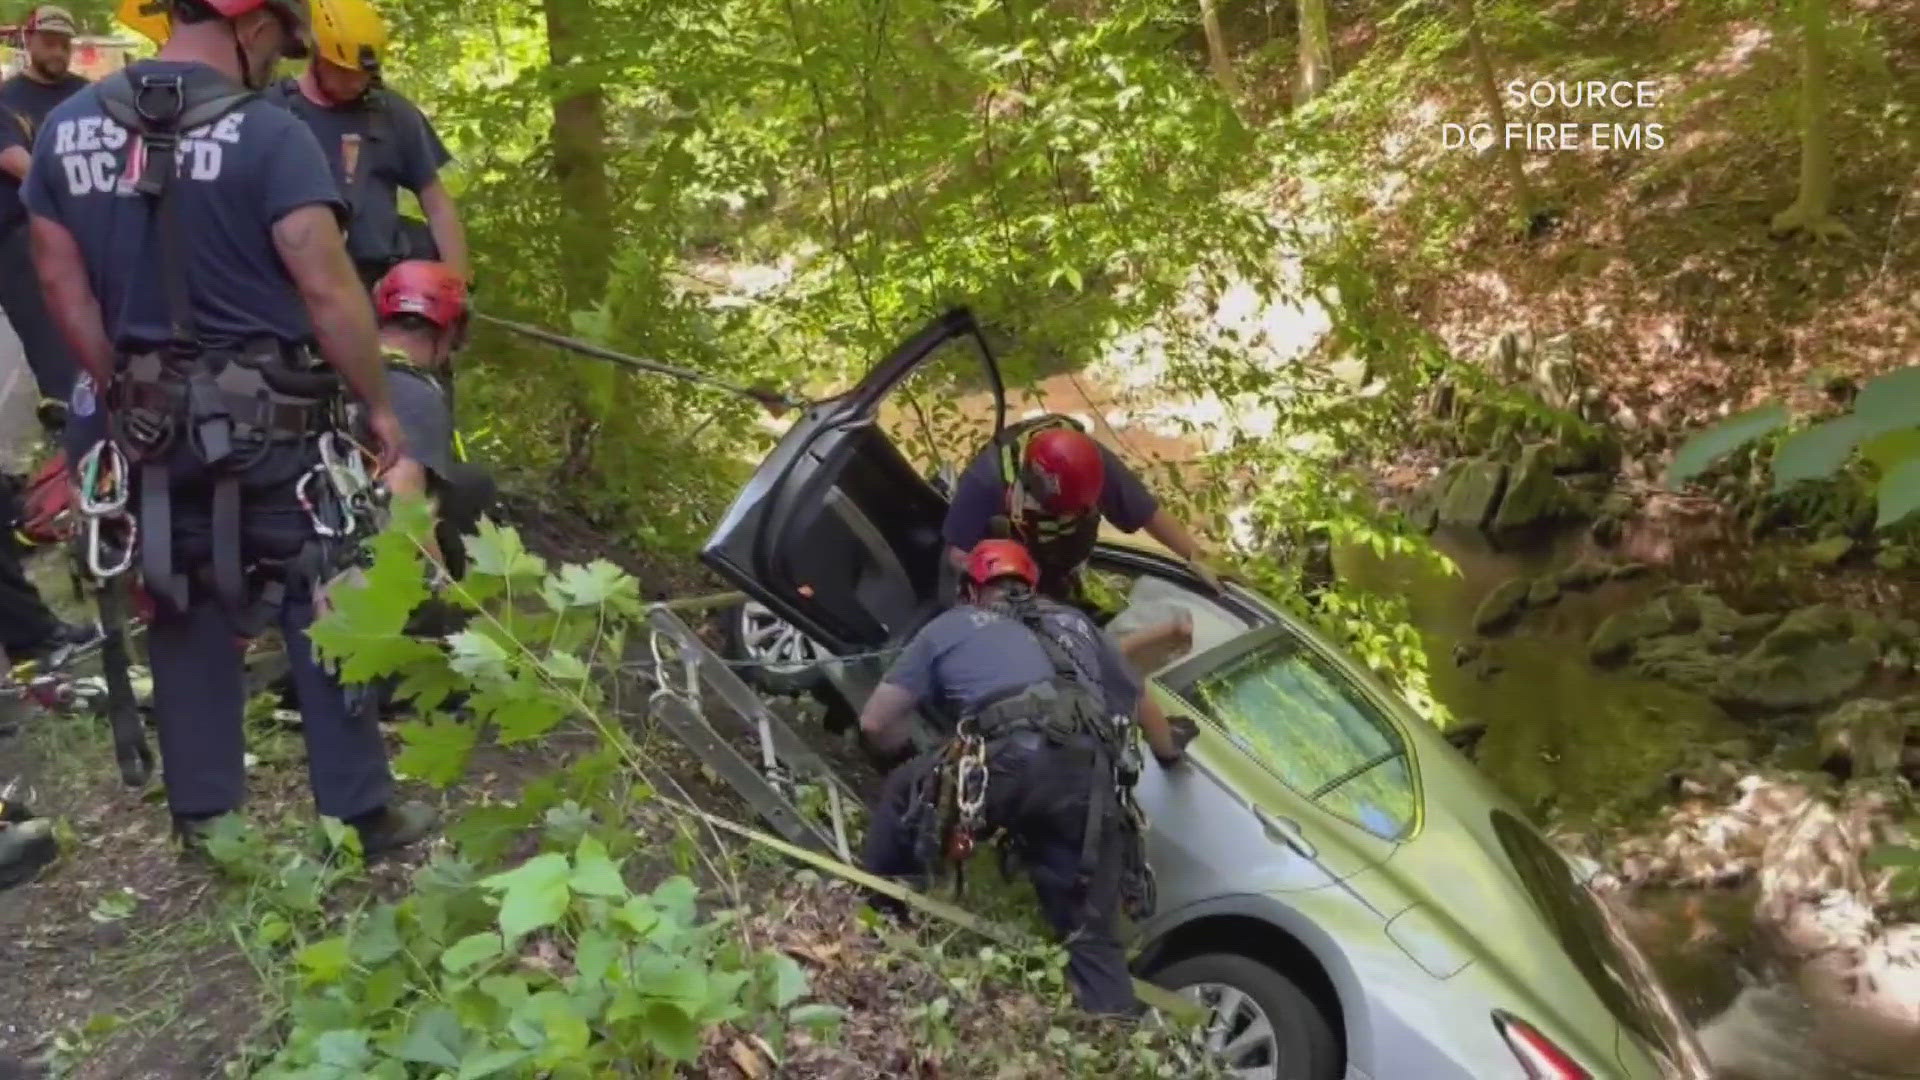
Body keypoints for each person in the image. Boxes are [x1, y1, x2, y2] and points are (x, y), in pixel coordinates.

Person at [21, 0, 434, 855]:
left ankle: (207, 818)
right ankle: (359, 815)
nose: (283, 64)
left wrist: (122, 384)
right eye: (281, 44)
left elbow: (62, 288)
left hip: (146, 421)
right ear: (250, 29)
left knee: (179, 586)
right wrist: (379, 406)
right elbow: (324, 288)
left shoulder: (63, 131)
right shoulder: (270, 135)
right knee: (320, 581)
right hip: (272, 414)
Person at [857, 539, 1198, 1015]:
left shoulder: (951, 625)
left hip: (1006, 763)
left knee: (902, 793)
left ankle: (876, 926)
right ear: (1032, 586)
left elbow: (876, 724)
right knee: (1093, 940)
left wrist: (913, 760)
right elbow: (1136, 693)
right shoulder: (1077, 625)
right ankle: (1113, 1033)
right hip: (1089, 783)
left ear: (971, 589)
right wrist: (1168, 751)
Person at [267, 0, 466, 289]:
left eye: (364, 75)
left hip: (381, 284)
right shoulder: (271, 112)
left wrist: (456, 284)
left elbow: (437, 205)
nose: (357, 83)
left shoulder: (393, 114)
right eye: (345, 72)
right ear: (319, 57)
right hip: (295, 289)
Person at [941, 415, 1222, 608]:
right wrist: (1007, 593)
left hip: (1057, 568)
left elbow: (1148, 512)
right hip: (1004, 575)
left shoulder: (1090, 461)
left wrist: (1196, 556)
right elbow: (957, 554)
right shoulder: (987, 480)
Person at [366, 259, 492, 579]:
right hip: (368, 559)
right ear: (451, 330)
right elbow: (402, 503)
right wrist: (441, 582)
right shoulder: (415, 395)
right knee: (474, 486)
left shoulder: (346, 364)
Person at [0, 4, 88, 430]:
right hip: (23, 232)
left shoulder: (89, 96)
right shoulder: (7, 100)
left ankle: (92, 409)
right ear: (29, 41)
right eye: (49, 41)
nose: (58, 50)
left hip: (86, 228)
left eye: (64, 43)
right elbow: (18, 162)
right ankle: (66, 418)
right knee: (46, 332)